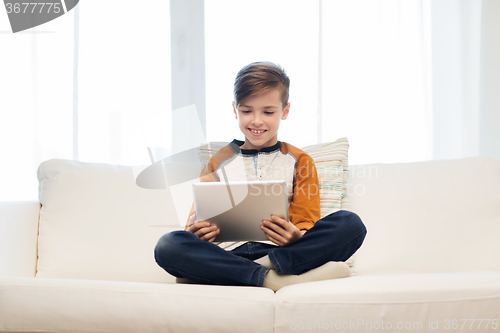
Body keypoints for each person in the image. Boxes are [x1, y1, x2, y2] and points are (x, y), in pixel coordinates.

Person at [154, 61, 367, 291]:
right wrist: (198, 233)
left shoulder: (301, 161)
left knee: (350, 224)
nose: (256, 120)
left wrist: (296, 237)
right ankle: (272, 278)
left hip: (281, 252)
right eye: (247, 111)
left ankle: (238, 273)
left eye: (268, 111)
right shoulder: (217, 161)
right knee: (168, 245)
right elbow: (196, 223)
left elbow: (306, 223)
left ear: (285, 111)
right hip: (226, 254)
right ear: (235, 110)